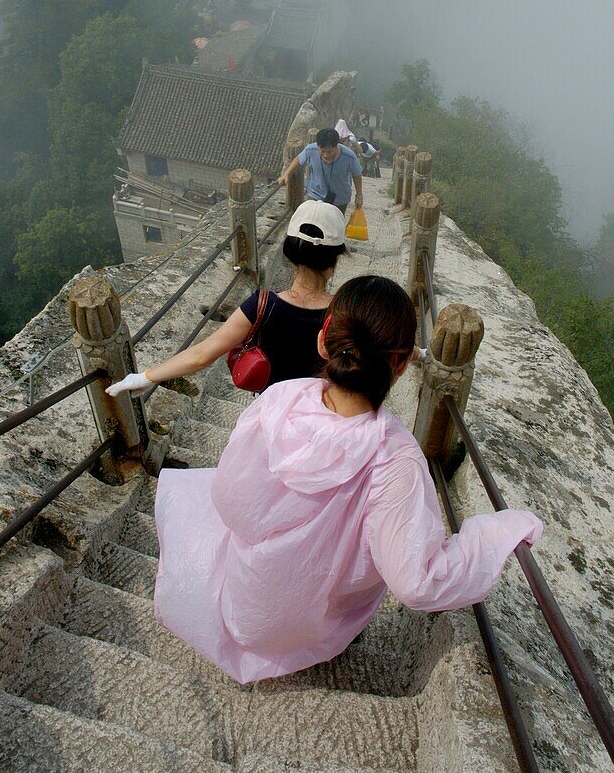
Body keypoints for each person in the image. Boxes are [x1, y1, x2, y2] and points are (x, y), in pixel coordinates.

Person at [154, 275, 543, 684]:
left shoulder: (279, 400)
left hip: (246, 604)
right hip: (310, 626)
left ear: (324, 341)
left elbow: (229, 498)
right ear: (403, 362)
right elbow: (417, 584)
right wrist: (501, 533)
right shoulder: (395, 459)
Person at [105, 201, 347, 396]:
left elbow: (203, 354)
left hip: (270, 413)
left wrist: (146, 377)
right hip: (320, 417)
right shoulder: (345, 312)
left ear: (289, 252)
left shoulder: (262, 304)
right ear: (335, 260)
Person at [279, 127, 362, 216]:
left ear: (336, 146)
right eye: (322, 151)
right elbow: (298, 160)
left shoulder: (349, 156)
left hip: (339, 199)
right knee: (311, 222)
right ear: (318, 146)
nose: (326, 155)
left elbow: (357, 175)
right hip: (315, 195)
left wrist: (359, 196)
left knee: (334, 226)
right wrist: (286, 174)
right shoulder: (310, 150)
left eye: (329, 151)